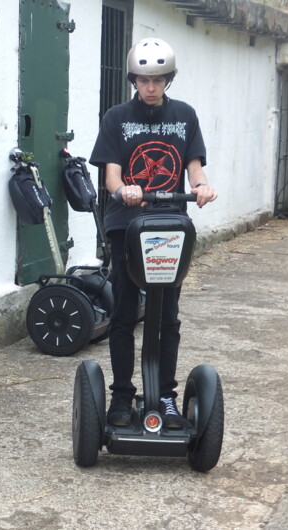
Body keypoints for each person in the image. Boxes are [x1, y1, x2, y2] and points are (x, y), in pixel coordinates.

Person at [89, 37, 218, 429]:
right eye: (144, 79)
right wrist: (121, 190)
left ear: (168, 80)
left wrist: (202, 186)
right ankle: (123, 397)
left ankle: (164, 395)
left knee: (168, 316)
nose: (150, 86)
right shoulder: (116, 117)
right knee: (125, 311)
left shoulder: (185, 115)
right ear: (133, 79)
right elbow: (111, 172)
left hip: (170, 224)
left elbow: (193, 165)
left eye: (158, 79)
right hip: (126, 225)